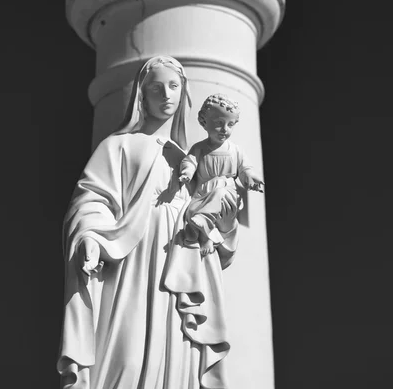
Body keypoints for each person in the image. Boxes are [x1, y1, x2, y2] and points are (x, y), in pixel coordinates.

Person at [57, 56, 239, 389]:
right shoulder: (118, 146)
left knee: (177, 356)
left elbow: (211, 221)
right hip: (133, 259)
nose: (166, 95)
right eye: (156, 87)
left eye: (174, 86)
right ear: (141, 94)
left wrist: (224, 225)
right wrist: (91, 237)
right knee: (126, 357)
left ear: (183, 93)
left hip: (181, 262)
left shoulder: (191, 159)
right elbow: (92, 198)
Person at [178, 94, 264, 256]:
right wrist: (187, 173)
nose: (225, 129)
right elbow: (190, 162)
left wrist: (251, 177)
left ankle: (204, 222)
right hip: (203, 193)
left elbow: (245, 168)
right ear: (204, 122)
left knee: (219, 191)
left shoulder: (235, 150)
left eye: (230, 124)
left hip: (228, 194)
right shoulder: (200, 148)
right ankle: (207, 236)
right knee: (210, 199)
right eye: (219, 123)